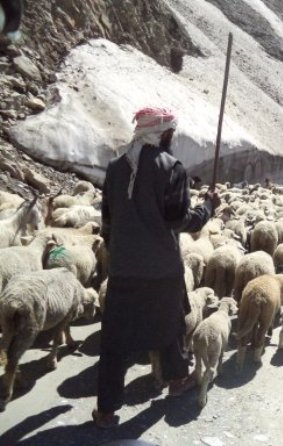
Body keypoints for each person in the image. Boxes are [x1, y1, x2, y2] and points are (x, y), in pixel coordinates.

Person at [94, 107, 220, 428]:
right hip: (162, 269)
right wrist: (208, 207)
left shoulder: (115, 168)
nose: (172, 139)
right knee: (172, 325)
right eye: (171, 134)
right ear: (164, 134)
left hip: (123, 269)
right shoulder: (171, 168)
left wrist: (119, 254)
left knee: (114, 339)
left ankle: (106, 411)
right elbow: (180, 220)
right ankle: (177, 380)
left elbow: (107, 221)